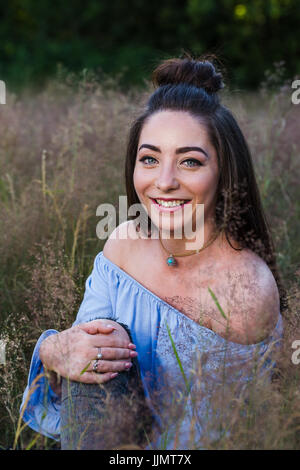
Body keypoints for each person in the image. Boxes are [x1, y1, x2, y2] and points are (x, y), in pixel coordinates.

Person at [20, 53, 285, 450]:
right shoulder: (125, 243)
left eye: (190, 162)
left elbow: (218, 438)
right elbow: (84, 381)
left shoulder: (245, 289)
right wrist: (54, 349)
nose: (164, 181)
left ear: (224, 172)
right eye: (149, 159)